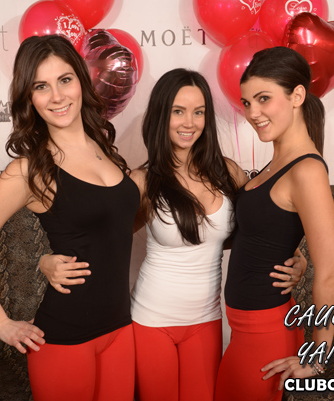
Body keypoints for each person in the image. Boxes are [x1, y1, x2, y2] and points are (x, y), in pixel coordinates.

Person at [40, 68, 307, 401]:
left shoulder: (227, 172)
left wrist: (297, 256)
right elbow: (102, 240)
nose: (189, 122)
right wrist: (46, 261)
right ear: (161, 115)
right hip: (150, 320)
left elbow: (262, 227)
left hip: (207, 320)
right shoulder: (143, 181)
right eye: (178, 111)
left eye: (199, 112)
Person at [0, 34, 139, 401]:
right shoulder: (29, 171)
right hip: (65, 340)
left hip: (120, 330)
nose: (57, 96)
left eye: (65, 80)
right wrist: (1, 324)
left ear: (81, 81)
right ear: (29, 98)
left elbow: (111, 230)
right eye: (41, 86)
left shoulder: (104, 148)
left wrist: (43, 261)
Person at [214, 46, 334, 401]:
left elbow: (331, 273)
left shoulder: (307, 169)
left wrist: (318, 357)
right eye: (247, 103)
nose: (252, 113)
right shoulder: (276, 163)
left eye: (264, 99)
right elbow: (267, 229)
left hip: (265, 333)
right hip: (244, 328)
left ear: (297, 96)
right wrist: (296, 254)